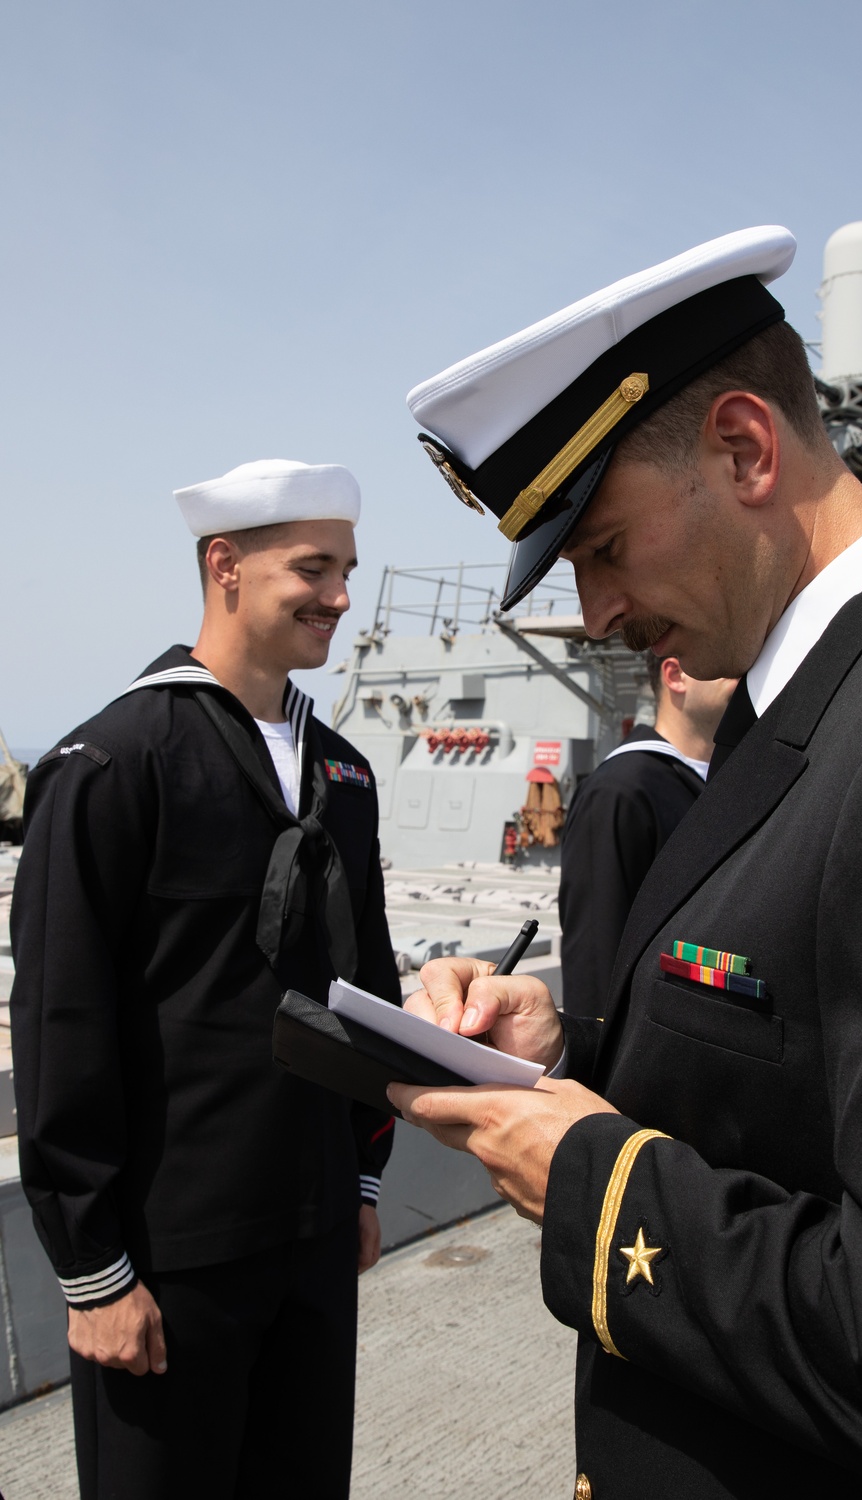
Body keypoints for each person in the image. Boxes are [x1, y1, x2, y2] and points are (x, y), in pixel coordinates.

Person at [391, 228, 862, 1497]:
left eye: (602, 549)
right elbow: (796, 1087)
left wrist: (594, 1185)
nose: (598, 612)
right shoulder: (819, 705)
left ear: (743, 450)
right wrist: (561, 1055)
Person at [11, 459, 400, 1500]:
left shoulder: (344, 773)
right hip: (169, 1256)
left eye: (347, 569)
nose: (340, 596)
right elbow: (61, 1019)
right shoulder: (113, 762)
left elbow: (368, 985)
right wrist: (94, 1273)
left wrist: (362, 1179)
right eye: (313, 568)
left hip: (314, 1234)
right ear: (225, 566)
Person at [559, 653, 733, 1017]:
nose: (742, 671)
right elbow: (597, 957)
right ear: (675, 675)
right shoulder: (619, 792)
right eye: (726, 664)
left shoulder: (728, 782)